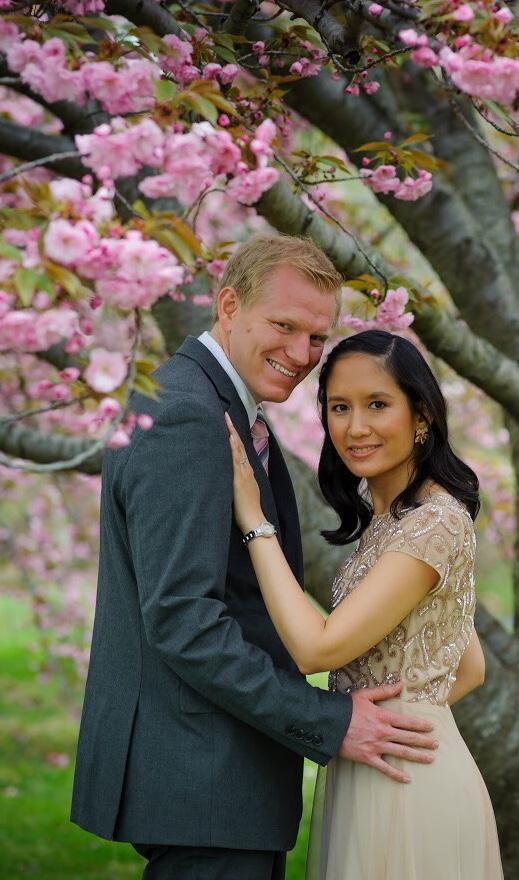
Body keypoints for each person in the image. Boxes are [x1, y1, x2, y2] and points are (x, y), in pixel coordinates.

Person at [70, 235, 438, 880]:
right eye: (285, 326)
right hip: (203, 778)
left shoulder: (214, 408)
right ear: (229, 305)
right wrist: (325, 720)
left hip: (215, 777)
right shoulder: (190, 419)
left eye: (317, 339)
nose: (301, 356)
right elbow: (184, 620)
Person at [226, 328, 504, 879]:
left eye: (378, 405)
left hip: (411, 786)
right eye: (340, 408)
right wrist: (395, 716)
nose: (356, 427)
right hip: (380, 762)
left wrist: (254, 520)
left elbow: (315, 650)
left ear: (421, 414)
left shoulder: (434, 524)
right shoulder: (393, 520)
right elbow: (469, 665)